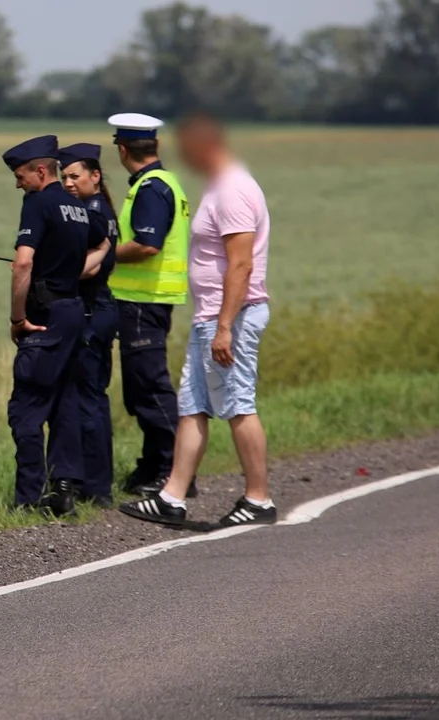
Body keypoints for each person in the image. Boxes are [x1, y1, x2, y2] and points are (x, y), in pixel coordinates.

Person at [120, 112, 276, 528]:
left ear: (204, 146)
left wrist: (225, 326)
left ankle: (258, 499)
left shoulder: (233, 191)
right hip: (212, 317)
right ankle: (172, 496)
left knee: (238, 404)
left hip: (229, 318)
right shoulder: (223, 187)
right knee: (193, 406)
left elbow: (240, 265)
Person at [3, 136, 109, 517]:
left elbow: (23, 264)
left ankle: (28, 497)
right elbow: (104, 243)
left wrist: (18, 319)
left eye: (20, 176)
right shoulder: (78, 207)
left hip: (44, 318)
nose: (18, 184)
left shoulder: (38, 202)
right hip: (73, 312)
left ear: (40, 170)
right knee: (64, 402)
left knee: (27, 406)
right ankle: (63, 489)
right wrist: (74, 270)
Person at [106, 113, 197, 499]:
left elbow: (146, 245)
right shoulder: (162, 183)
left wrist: (101, 255)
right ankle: (154, 464)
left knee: (150, 389)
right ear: (155, 145)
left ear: (123, 151)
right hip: (146, 302)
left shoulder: (151, 188)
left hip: (145, 303)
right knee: (141, 390)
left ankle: (176, 473)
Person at [59, 142, 120, 507]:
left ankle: (96, 488)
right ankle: (96, 484)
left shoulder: (92, 213)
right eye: (63, 176)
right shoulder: (99, 208)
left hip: (91, 311)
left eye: (74, 176)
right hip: (99, 309)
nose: (68, 182)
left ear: (95, 176)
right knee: (92, 398)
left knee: (89, 400)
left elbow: (90, 266)